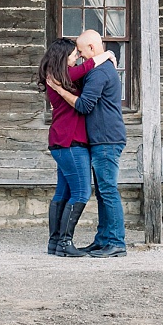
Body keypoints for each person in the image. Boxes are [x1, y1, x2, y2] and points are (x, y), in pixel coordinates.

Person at [47, 29, 127, 258]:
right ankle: (103, 239)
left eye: (81, 52)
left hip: (106, 139)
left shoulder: (100, 72)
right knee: (103, 191)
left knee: (107, 190)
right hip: (99, 139)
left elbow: (84, 105)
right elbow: (74, 76)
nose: (80, 57)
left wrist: (60, 91)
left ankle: (115, 242)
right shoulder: (95, 69)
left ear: (92, 48)